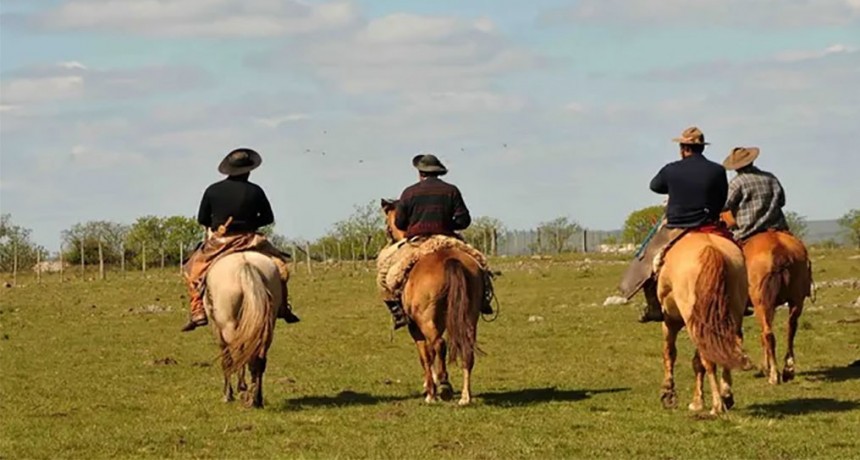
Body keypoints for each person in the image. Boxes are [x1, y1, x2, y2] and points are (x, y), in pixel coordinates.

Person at [618, 126, 733, 323]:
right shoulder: (718, 170)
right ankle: (742, 298)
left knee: (648, 260)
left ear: (683, 148)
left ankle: (653, 306)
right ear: (702, 148)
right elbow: (722, 198)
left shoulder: (671, 169)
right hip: (709, 225)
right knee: (737, 252)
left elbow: (655, 186)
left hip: (677, 226)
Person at [180, 147, 300, 332]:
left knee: (193, 271)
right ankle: (283, 307)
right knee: (279, 267)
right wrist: (250, 222)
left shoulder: (213, 190)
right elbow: (268, 218)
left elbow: (202, 219)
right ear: (249, 170)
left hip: (221, 240)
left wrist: (217, 224)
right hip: (250, 239)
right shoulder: (256, 191)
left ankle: (197, 310)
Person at [377, 154, 494, 329]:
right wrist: (447, 224)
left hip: (418, 242)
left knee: (385, 275)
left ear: (420, 172)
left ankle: (399, 314)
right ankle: (483, 300)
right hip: (448, 239)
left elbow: (400, 223)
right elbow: (464, 220)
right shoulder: (451, 190)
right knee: (481, 266)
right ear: (438, 172)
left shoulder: (409, 192)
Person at [722, 147, 789, 241]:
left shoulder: (737, 183)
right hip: (777, 227)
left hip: (747, 231)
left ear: (735, 167)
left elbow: (724, 205)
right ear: (752, 161)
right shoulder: (771, 177)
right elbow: (782, 201)